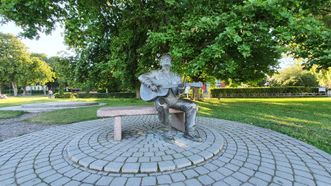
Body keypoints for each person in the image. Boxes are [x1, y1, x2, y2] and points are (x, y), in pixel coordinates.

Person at [138, 54, 202, 142]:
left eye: (168, 59)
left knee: (192, 105)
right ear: (160, 63)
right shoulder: (155, 73)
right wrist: (151, 85)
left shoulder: (176, 76)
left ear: (171, 63)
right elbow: (141, 77)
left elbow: (179, 92)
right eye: (164, 59)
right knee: (162, 105)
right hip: (161, 98)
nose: (166, 60)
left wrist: (181, 89)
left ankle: (190, 133)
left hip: (174, 100)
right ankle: (167, 133)